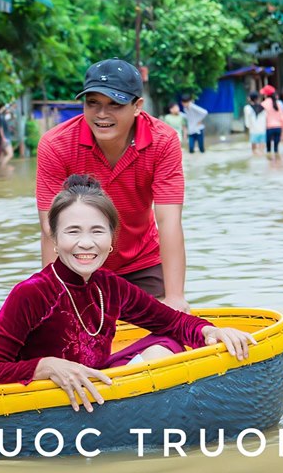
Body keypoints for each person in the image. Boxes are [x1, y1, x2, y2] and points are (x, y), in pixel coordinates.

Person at [0, 174, 255, 410]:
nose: (86, 243)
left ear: (111, 241)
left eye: (97, 231)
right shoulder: (32, 293)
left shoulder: (110, 286)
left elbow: (173, 321)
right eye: (73, 232)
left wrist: (211, 332)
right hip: (45, 400)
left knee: (166, 344)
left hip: (98, 386)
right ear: (55, 241)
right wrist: (46, 366)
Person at [36, 58, 190, 312]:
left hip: (142, 262)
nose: (102, 115)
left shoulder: (163, 141)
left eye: (115, 104)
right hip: (80, 262)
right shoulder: (56, 144)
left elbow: (169, 221)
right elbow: (50, 228)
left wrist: (175, 297)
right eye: (92, 103)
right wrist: (57, 298)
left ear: (137, 106)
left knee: (163, 338)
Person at [243, 90, 267, 155]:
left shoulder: (247, 108)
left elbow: (247, 122)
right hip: (263, 130)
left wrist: (248, 128)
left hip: (253, 131)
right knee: (262, 151)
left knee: (254, 151)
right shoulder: (263, 107)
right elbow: (265, 118)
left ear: (250, 98)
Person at [263, 88, 283, 155]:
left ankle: (270, 164)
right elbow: (282, 118)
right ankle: (277, 163)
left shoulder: (263, 104)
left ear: (266, 94)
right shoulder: (278, 104)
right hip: (278, 127)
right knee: (276, 149)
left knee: (268, 150)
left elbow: (263, 118)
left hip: (268, 128)